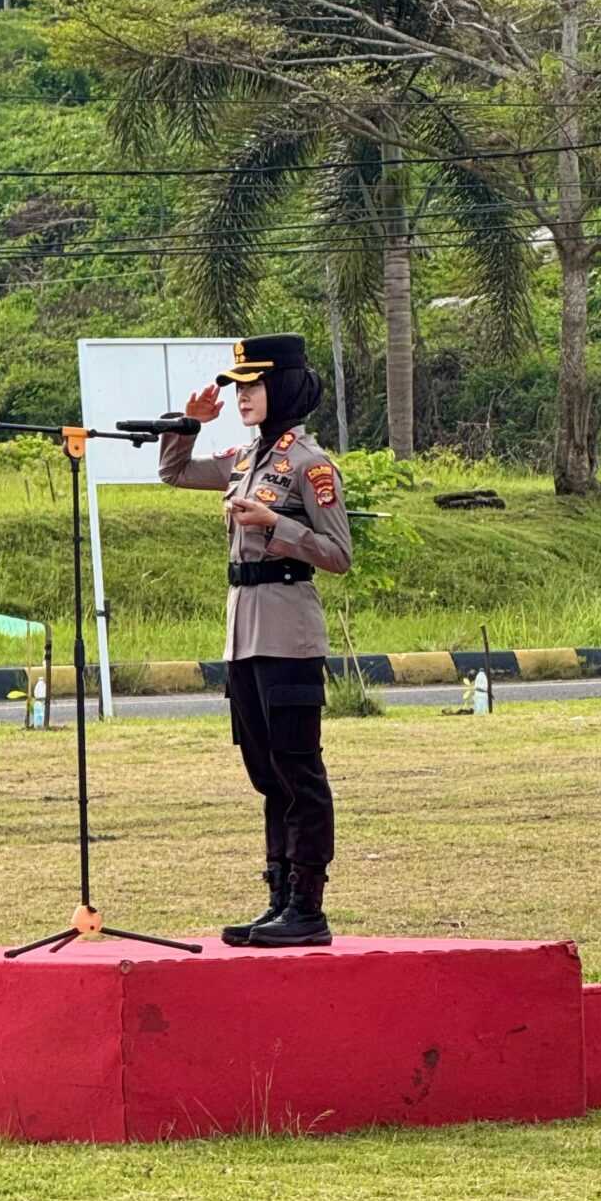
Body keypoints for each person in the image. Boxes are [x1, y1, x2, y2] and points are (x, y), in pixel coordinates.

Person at [159, 336, 352, 949]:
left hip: (289, 633)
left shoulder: (309, 465)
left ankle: (307, 906)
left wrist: (278, 525)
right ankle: (276, 900)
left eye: (254, 385)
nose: (243, 396)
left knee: (299, 770)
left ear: (285, 388)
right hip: (243, 634)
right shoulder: (246, 457)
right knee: (266, 773)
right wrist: (188, 424)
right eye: (238, 386)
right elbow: (175, 472)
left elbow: (339, 554)